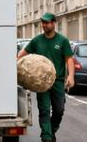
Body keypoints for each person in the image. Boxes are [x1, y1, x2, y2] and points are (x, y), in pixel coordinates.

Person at [17, 12, 75, 142]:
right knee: (44, 110)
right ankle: (46, 137)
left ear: (54, 23)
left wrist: (71, 77)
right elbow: (21, 54)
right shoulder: (37, 40)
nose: (44, 25)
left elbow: (69, 60)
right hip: (41, 83)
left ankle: (51, 131)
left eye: (47, 22)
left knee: (59, 110)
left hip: (57, 81)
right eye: (43, 22)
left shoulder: (62, 41)